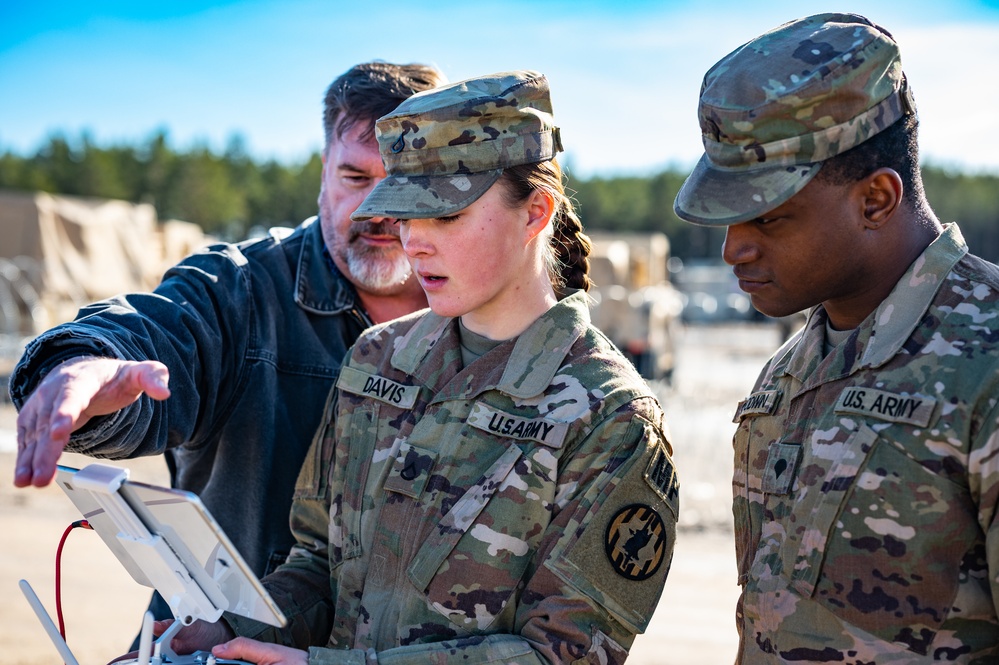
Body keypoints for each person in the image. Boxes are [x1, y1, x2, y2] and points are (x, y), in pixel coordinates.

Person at [162, 70, 678, 665]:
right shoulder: (376, 361)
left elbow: (565, 656)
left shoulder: (610, 417)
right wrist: (225, 634)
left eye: (445, 216)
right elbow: (316, 567)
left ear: (535, 213)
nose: (414, 242)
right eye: (405, 215)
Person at [9, 62, 444, 624]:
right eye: (356, 179)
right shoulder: (242, 291)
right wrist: (85, 365)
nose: (379, 210)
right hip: (223, 648)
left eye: (403, 184)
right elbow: (158, 329)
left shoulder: (479, 312)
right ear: (323, 172)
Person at [673, 13, 999, 663]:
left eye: (767, 216)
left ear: (875, 199)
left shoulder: (984, 364)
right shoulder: (786, 374)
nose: (732, 247)